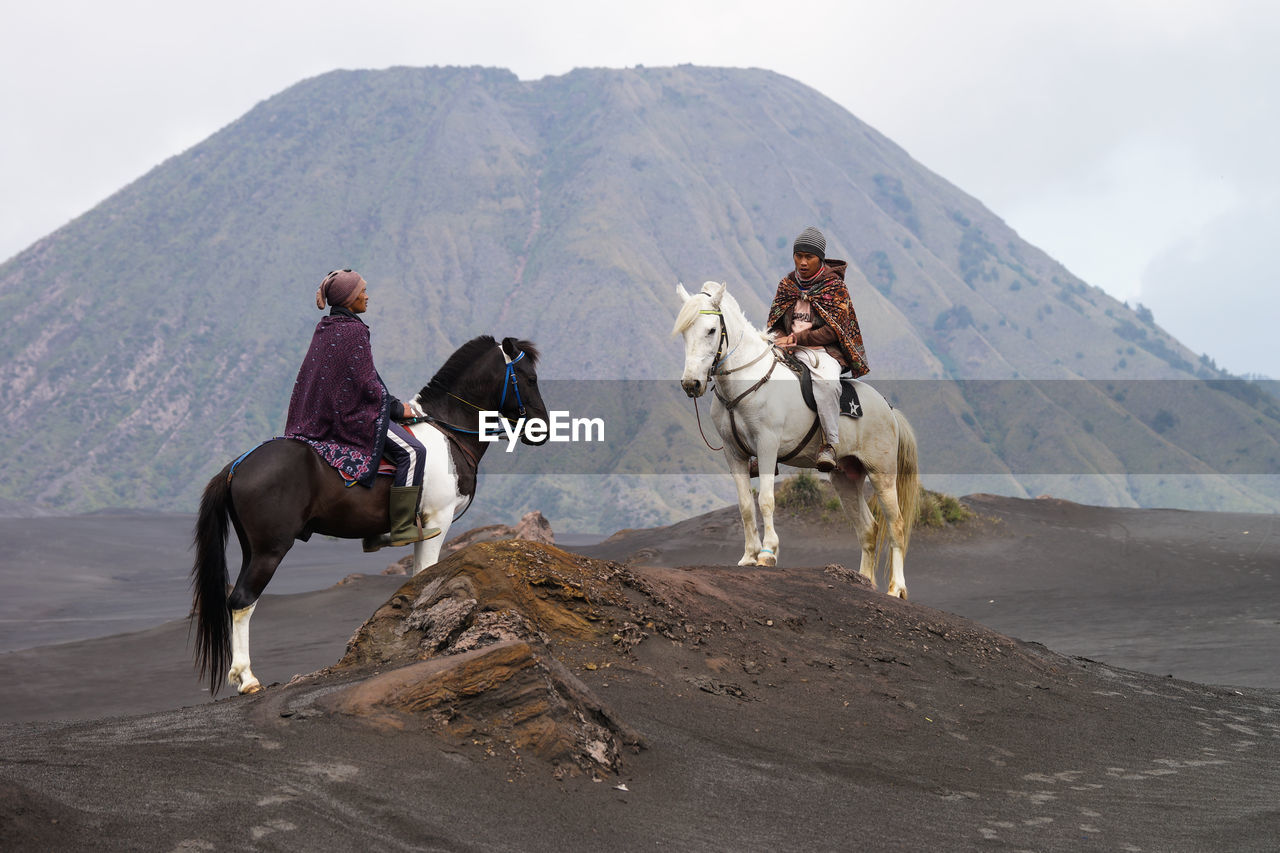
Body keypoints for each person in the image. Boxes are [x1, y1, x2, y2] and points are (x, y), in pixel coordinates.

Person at [284, 268, 439, 550]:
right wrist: (397, 408)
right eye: (362, 292)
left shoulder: (327, 327)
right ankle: (402, 527)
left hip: (321, 418)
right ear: (349, 298)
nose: (367, 296)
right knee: (413, 452)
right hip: (351, 418)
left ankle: (374, 529)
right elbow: (367, 386)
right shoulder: (354, 331)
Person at [767, 226, 869, 473]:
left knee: (826, 384)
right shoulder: (787, 285)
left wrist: (796, 338)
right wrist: (781, 338)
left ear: (820, 258)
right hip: (789, 348)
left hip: (823, 351)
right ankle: (761, 446)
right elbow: (776, 322)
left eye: (808, 257)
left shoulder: (834, 287)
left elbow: (834, 331)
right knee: (759, 375)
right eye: (798, 256)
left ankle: (829, 444)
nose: (802, 262)